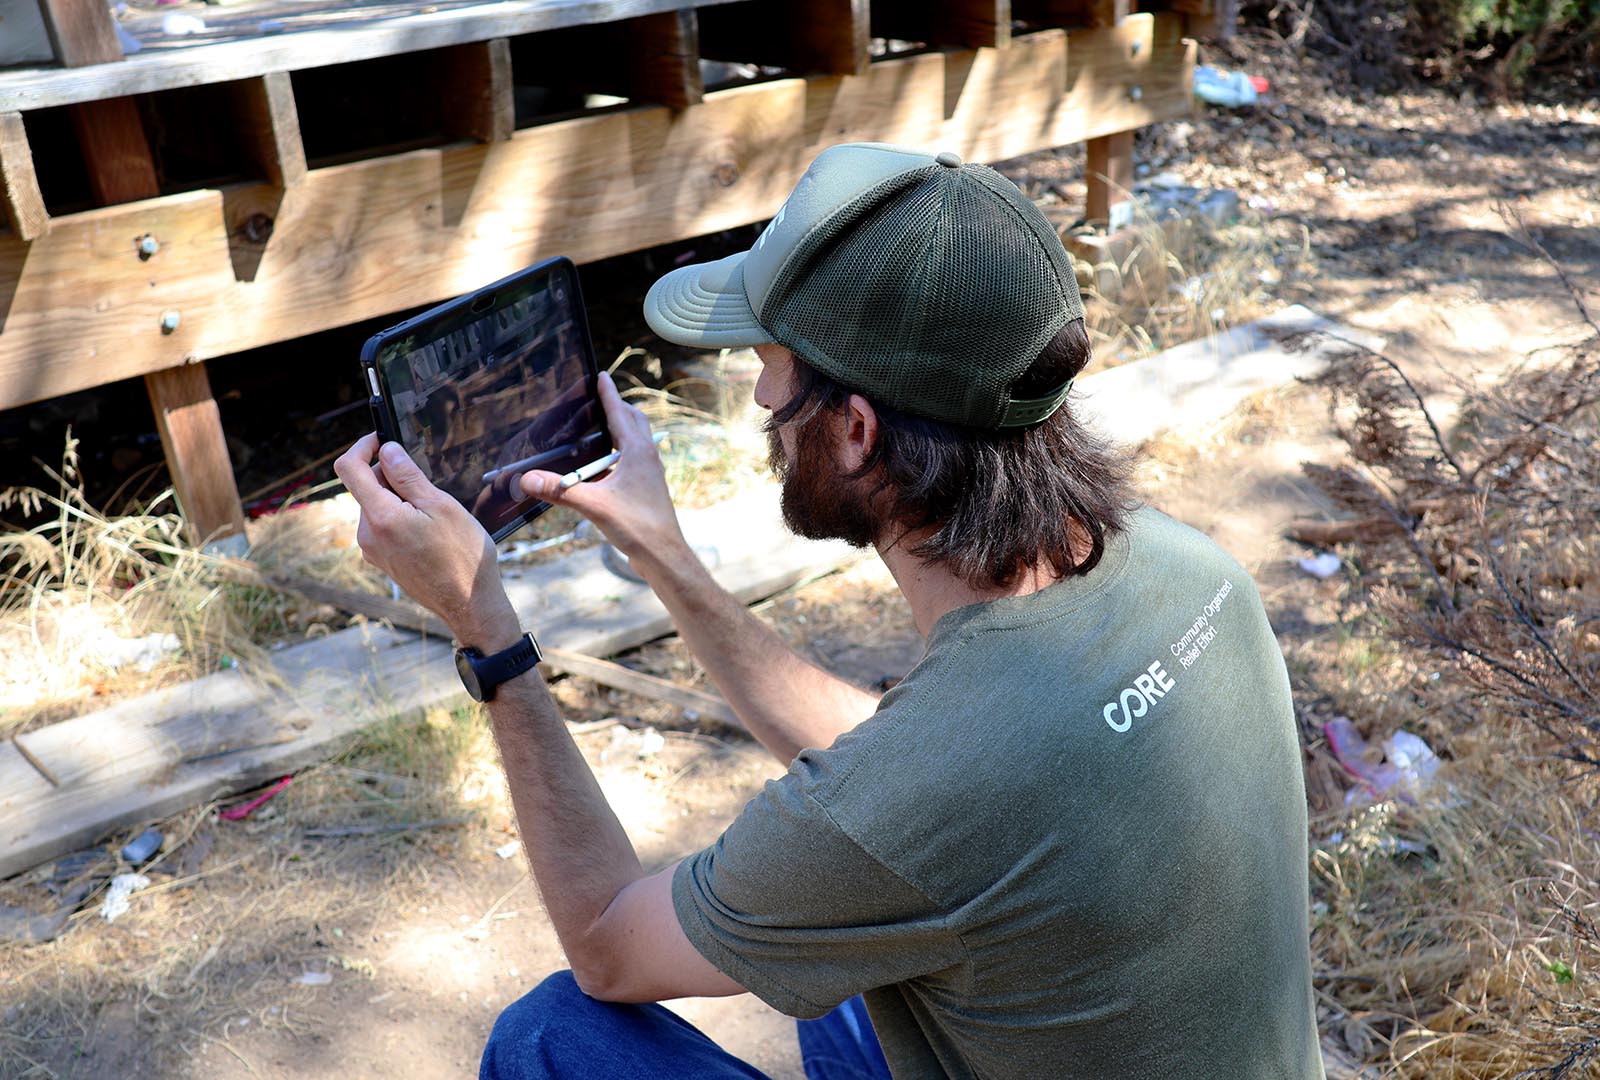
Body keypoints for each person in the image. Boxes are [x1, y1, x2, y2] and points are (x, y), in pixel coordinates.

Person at [335, 143, 1323, 1079]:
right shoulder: (1186, 569)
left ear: (855, 430)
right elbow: (926, 782)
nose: (760, 396)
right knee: (861, 967)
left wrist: (487, 630)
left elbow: (605, 944)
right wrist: (668, 559)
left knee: (552, 1037)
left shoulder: (922, 797)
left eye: (768, 364)